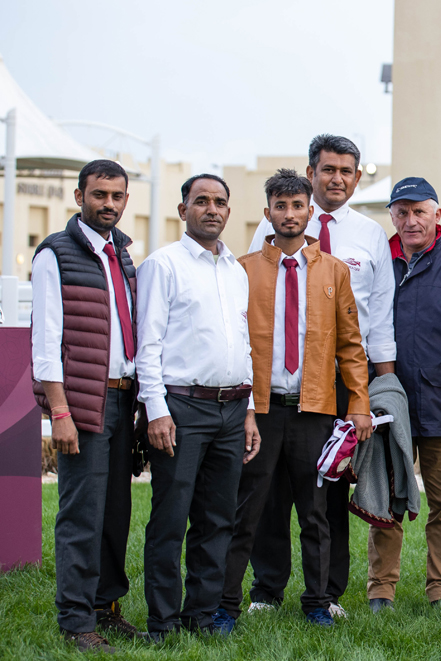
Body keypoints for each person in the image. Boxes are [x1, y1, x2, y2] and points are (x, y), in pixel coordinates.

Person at [246, 135, 396, 619]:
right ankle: (266, 589)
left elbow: (379, 318)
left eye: (346, 170)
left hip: (341, 382)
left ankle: (327, 593)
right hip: (279, 381)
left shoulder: (371, 235)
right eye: (328, 169)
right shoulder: (267, 234)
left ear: (356, 177)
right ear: (311, 173)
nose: (337, 178)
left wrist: (374, 389)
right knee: (269, 490)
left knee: (329, 491)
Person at [217, 169, 371, 629]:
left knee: (316, 513)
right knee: (248, 511)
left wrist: (359, 402)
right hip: (260, 412)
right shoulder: (242, 270)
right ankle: (227, 605)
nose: (289, 214)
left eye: (297, 206)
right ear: (267, 213)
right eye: (280, 207)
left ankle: (317, 602)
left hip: (315, 410)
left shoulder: (335, 271)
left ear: (310, 211)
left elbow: (351, 345)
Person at [136, 174, 261, 641]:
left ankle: (202, 617)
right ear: (182, 209)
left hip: (231, 411)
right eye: (201, 201)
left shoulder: (235, 270)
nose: (212, 209)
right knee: (170, 518)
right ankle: (164, 622)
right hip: (181, 407)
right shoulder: (162, 265)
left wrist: (248, 410)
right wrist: (156, 410)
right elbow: (147, 345)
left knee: (217, 519)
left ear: (229, 211)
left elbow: (243, 344)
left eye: (220, 202)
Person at [30, 159, 141, 653]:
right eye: (99, 195)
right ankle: (76, 620)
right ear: (79, 197)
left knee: (116, 512)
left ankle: (105, 607)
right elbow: (45, 343)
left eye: (117, 196)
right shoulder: (55, 254)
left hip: (123, 397)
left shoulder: (123, 254)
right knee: (82, 514)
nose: (109, 205)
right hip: (82, 403)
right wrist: (60, 412)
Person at [366, 178, 441, 614]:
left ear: (438, 215)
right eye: (402, 212)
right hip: (390, 403)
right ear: (392, 216)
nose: (411, 220)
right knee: (388, 500)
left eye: (420, 211)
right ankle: (381, 590)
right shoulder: (379, 262)